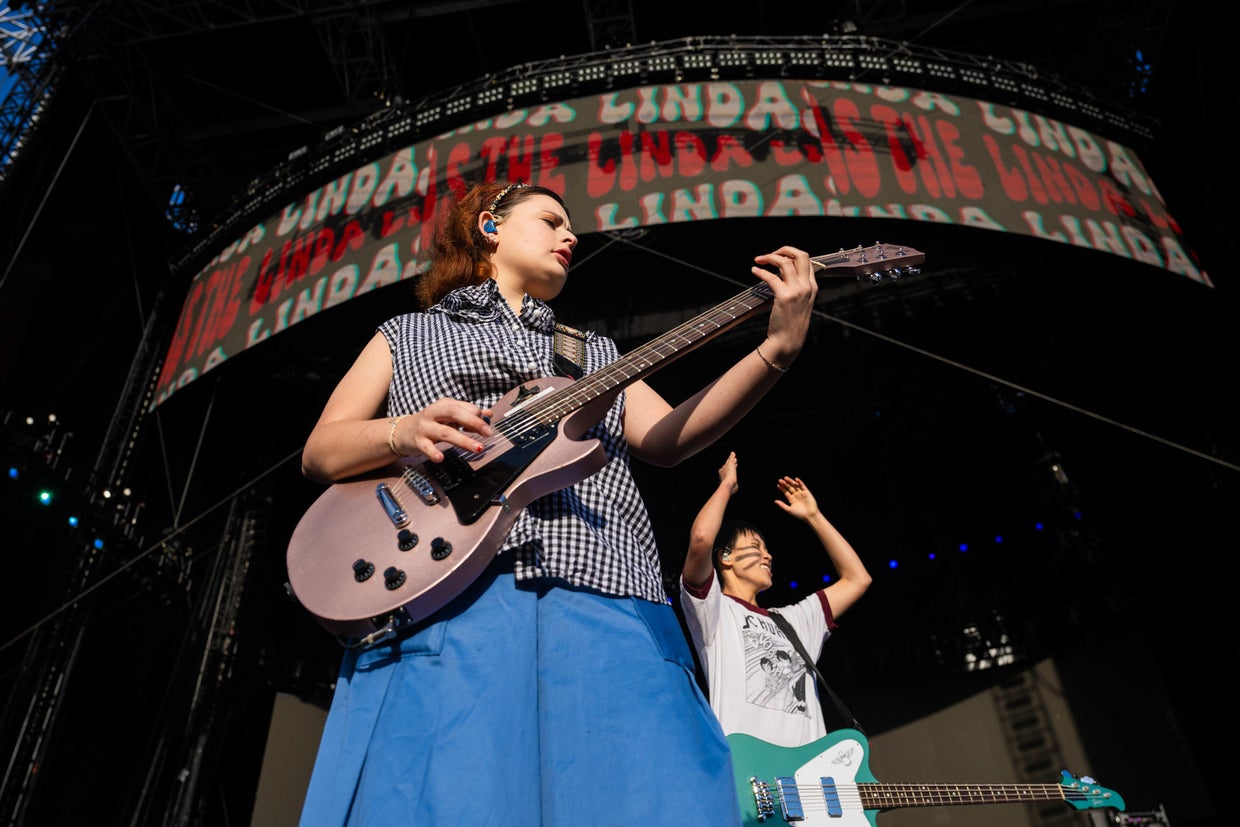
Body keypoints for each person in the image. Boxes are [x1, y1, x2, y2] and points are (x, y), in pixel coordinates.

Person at [295, 180, 819, 826]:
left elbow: (666, 439)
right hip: (451, 596)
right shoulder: (407, 333)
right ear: (490, 226)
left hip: (608, 591)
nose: (570, 235)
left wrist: (776, 350)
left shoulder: (591, 352)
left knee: (643, 802)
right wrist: (403, 431)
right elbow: (321, 450)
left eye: (570, 226)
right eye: (551, 220)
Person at [679, 451, 872, 748]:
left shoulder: (794, 620)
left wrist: (814, 517)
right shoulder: (714, 610)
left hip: (810, 770)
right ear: (726, 557)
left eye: (767, 549)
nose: (768, 555)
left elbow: (858, 579)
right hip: (749, 767)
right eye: (756, 547)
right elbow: (703, 538)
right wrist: (727, 486)